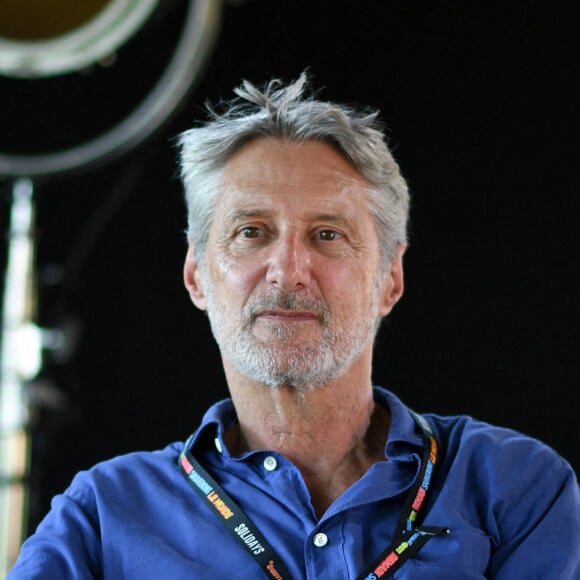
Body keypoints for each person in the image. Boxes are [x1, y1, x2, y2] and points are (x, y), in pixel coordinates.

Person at [9, 73, 580, 579]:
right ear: (196, 276)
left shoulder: (516, 486)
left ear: (390, 280)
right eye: (251, 232)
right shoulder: (104, 516)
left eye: (327, 234)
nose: (287, 271)